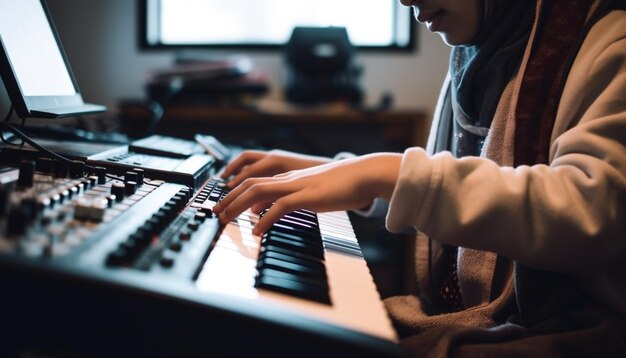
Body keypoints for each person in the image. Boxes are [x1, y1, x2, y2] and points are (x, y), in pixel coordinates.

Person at [213, 0, 626, 355]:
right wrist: (334, 170)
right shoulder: (482, 51)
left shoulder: (613, 41)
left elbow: (592, 216)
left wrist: (386, 175)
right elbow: (455, 188)